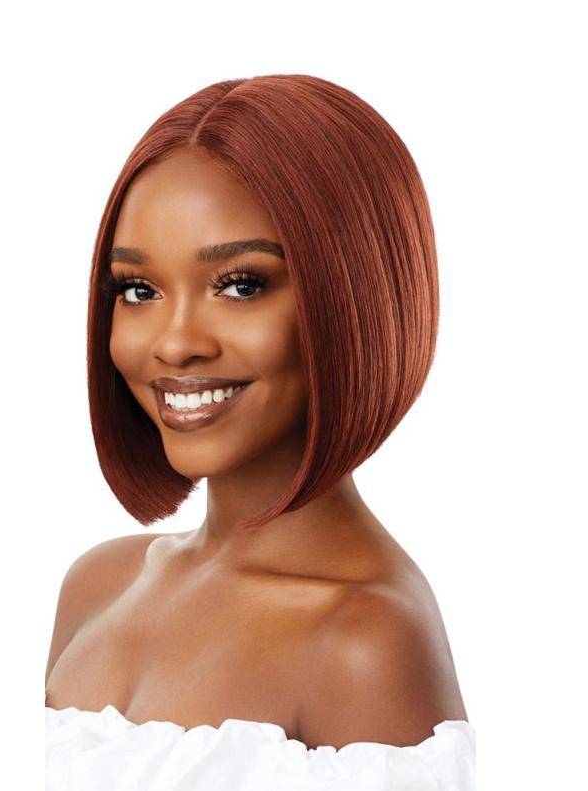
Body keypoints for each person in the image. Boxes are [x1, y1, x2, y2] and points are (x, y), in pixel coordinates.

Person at [45, 73, 476, 789]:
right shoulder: (97, 585)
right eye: (139, 290)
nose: (175, 343)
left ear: (357, 294)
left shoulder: (364, 640)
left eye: (240, 285)